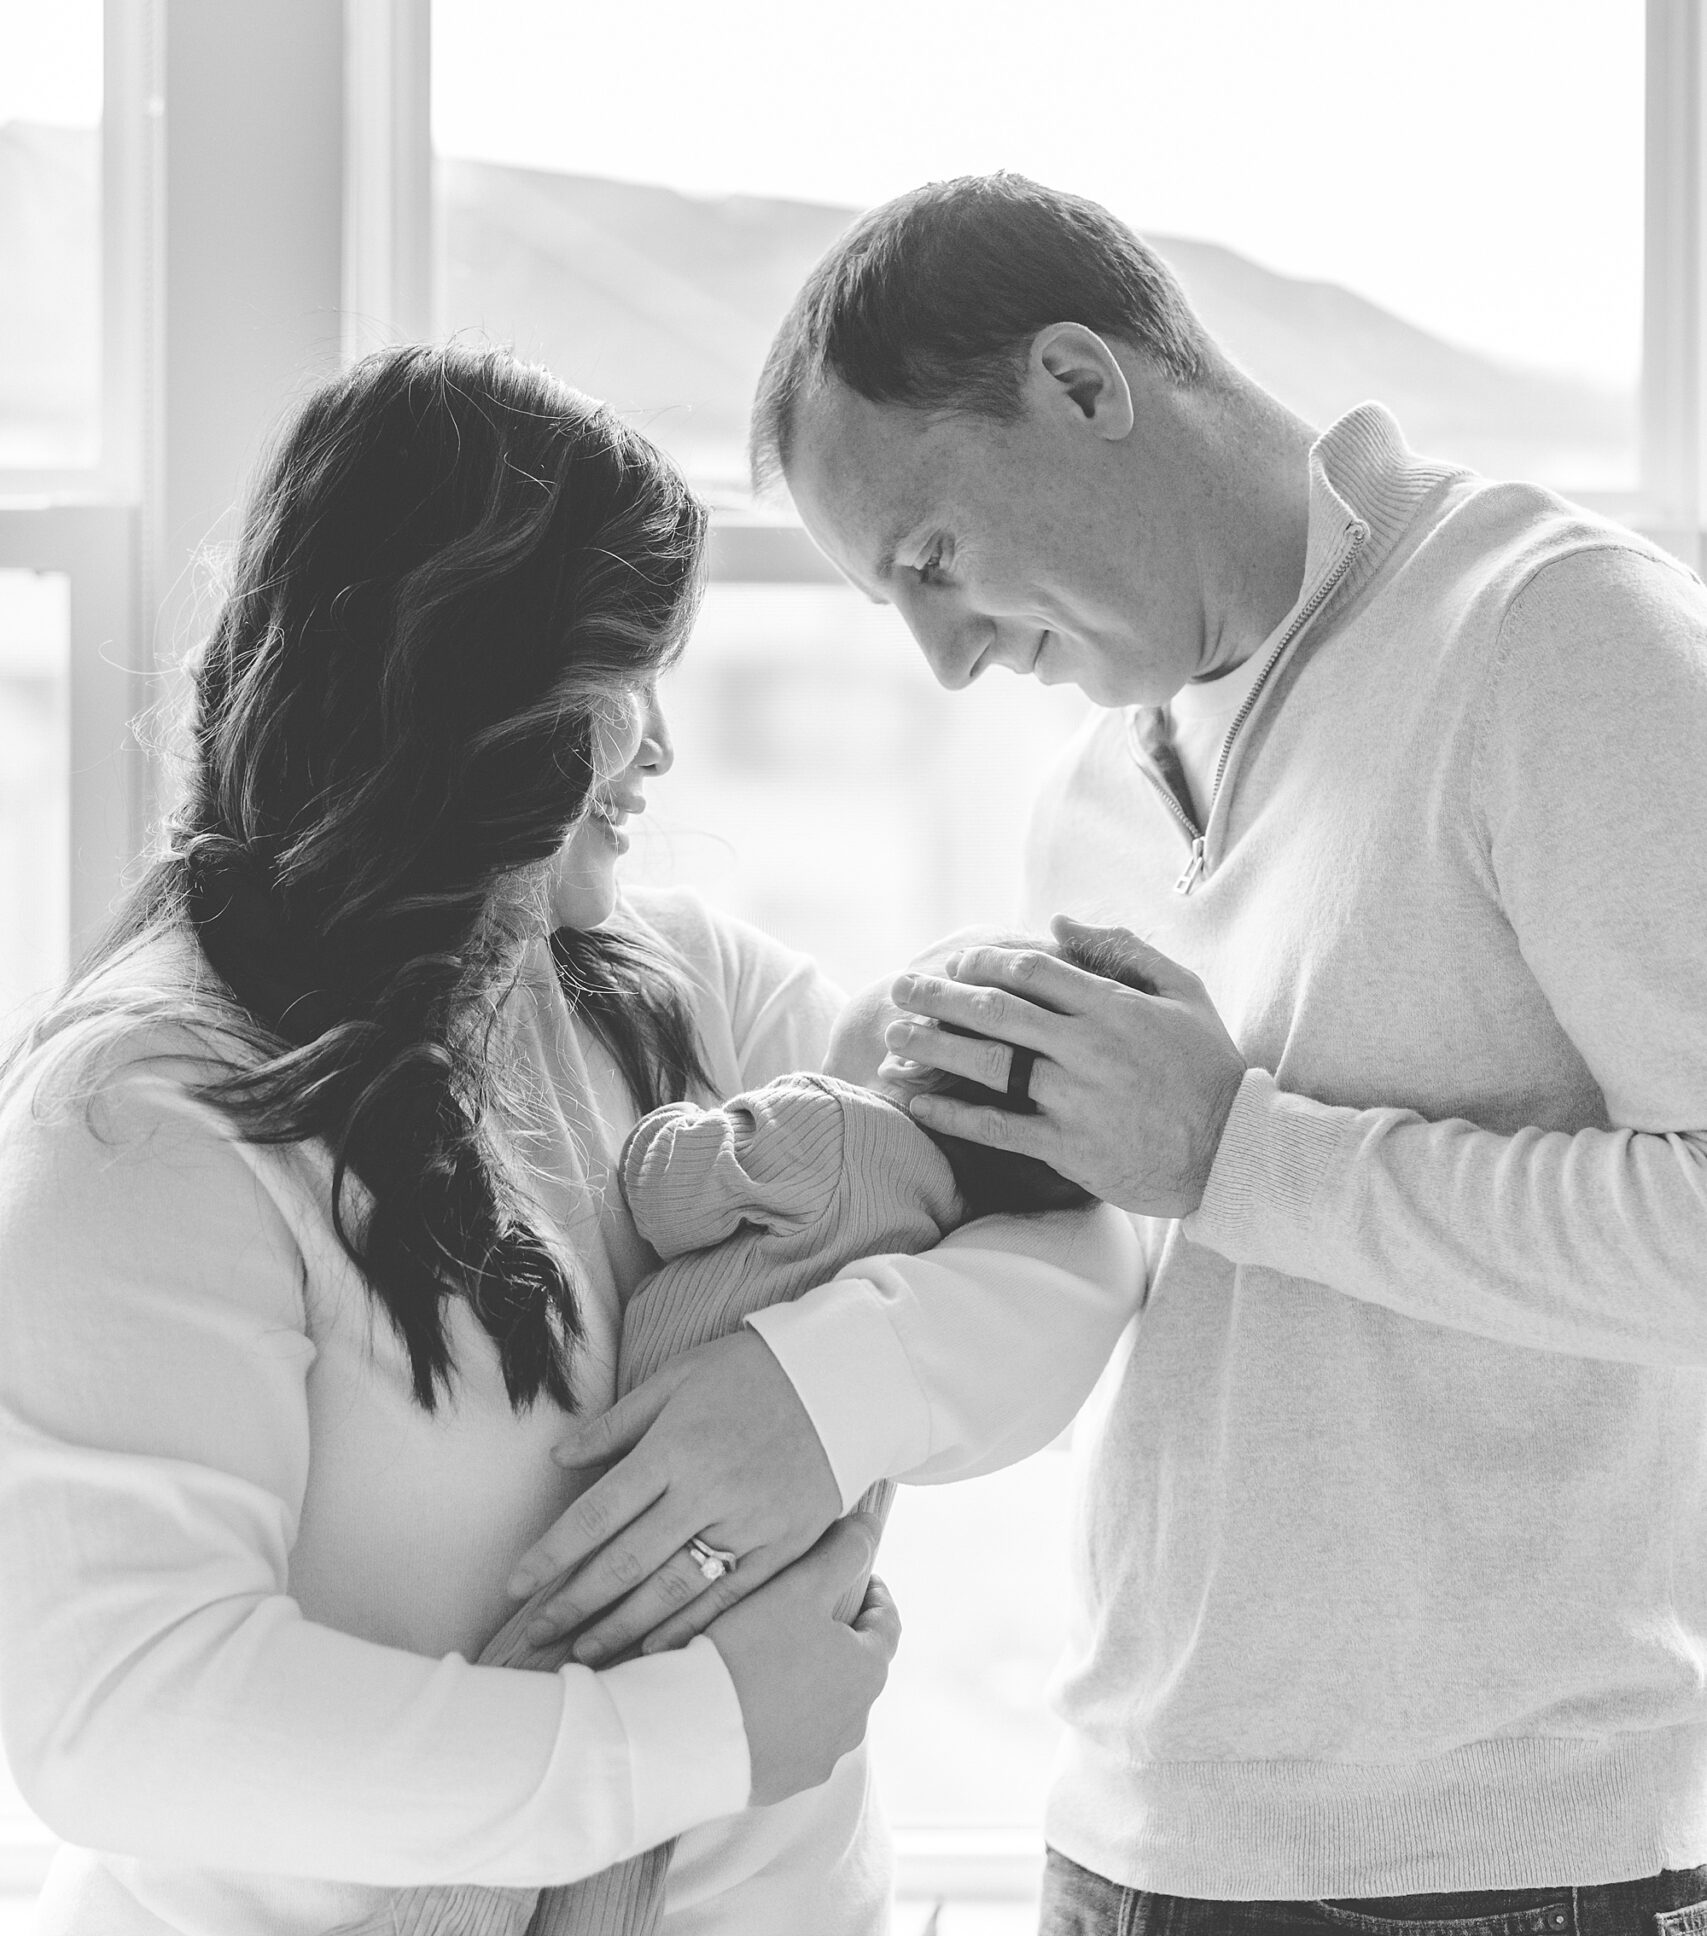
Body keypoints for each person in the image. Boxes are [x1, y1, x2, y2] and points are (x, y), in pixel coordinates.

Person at [0, 343, 1138, 1936]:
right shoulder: (143, 1119)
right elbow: (128, 1719)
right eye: (624, 679)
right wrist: (698, 1738)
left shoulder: (673, 989)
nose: (658, 752)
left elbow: (1076, 1224)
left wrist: (817, 1400)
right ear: (466, 691)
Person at [722, 170, 1707, 1936]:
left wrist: (1232, 1157)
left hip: (1501, 1862)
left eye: (932, 561)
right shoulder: (1091, 800)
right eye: (896, 608)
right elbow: (1195, 1287)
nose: (945, 661)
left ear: (1084, 382)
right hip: (1140, 1829)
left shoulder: (1557, 640)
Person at [349, 920, 1102, 1936]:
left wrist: (676, 1124)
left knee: (538, 1694)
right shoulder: (942, 1212)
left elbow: (663, 1190)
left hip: (656, 1517)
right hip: (767, 1565)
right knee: (632, 1844)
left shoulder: (828, 1127)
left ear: (916, 1047)